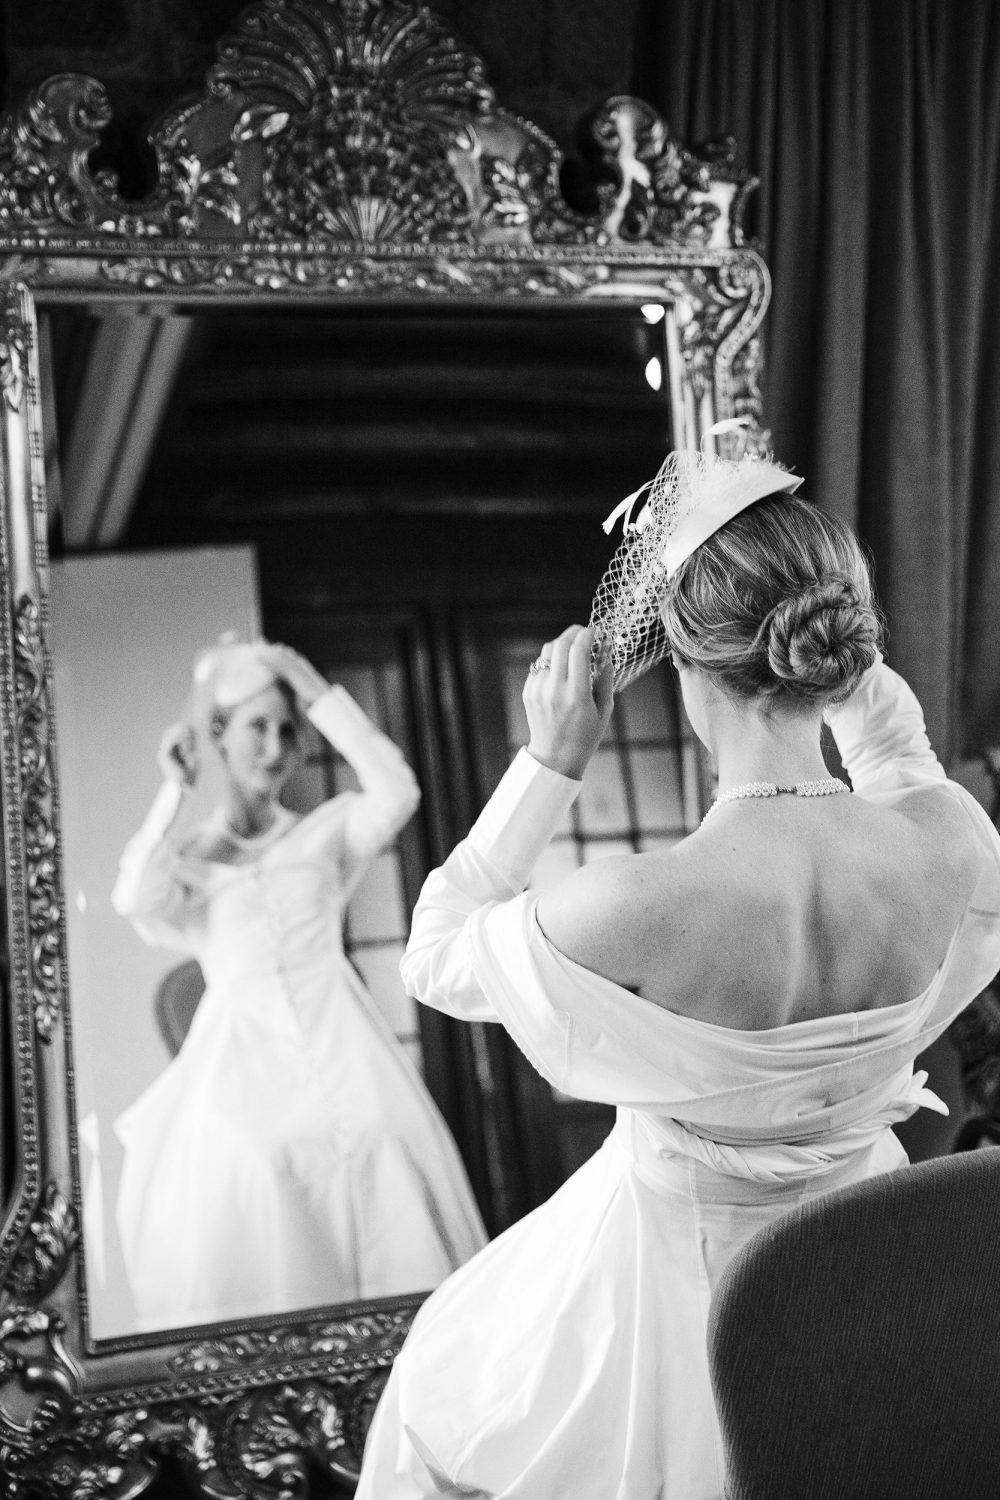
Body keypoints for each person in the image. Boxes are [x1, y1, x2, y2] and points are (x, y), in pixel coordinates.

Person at [356, 442, 1000, 1499]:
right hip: (879, 1280)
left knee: (445, 1376)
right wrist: (850, 674)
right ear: (833, 653)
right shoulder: (948, 842)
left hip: (677, 1301)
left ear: (686, 666)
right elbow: (898, 759)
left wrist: (548, 760)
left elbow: (433, 952)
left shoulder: (630, 907)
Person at [112, 638, 486, 1332]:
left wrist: (302, 678)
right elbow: (134, 899)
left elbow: (397, 790)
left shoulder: (327, 833)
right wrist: (173, 794)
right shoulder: (188, 859)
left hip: (341, 1040)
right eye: (259, 726)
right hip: (240, 1054)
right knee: (252, 1169)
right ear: (219, 737)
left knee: (379, 1147)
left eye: (290, 729)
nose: (279, 745)